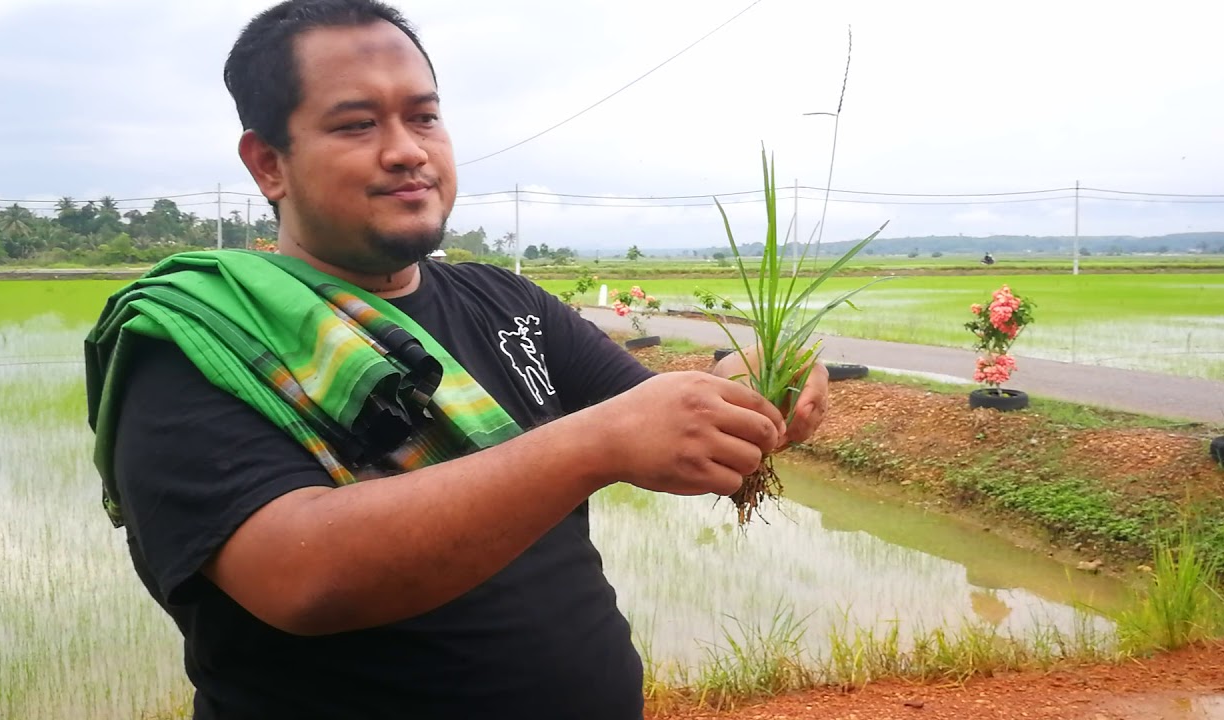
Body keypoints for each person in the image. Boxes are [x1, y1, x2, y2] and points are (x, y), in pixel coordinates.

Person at [83, 1, 830, 718]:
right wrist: (592, 445)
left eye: (424, 116)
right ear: (268, 164)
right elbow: (301, 575)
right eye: (356, 124)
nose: (408, 149)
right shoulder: (192, 340)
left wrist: (750, 391)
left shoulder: (505, 301)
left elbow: (659, 414)